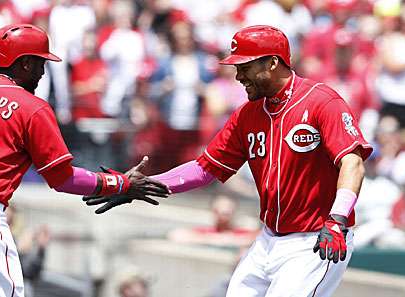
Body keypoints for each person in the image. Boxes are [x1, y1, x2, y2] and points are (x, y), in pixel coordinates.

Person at [85, 25, 373, 296]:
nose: (238, 76)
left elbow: (352, 162)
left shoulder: (321, 101)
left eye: (245, 67)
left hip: (315, 239)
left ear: (272, 63)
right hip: (268, 239)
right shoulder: (248, 114)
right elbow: (204, 168)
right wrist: (146, 183)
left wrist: (337, 219)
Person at [0, 23, 169, 297]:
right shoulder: (31, 106)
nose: (42, 72)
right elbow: (63, 178)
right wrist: (119, 183)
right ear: (24, 63)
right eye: (40, 63)